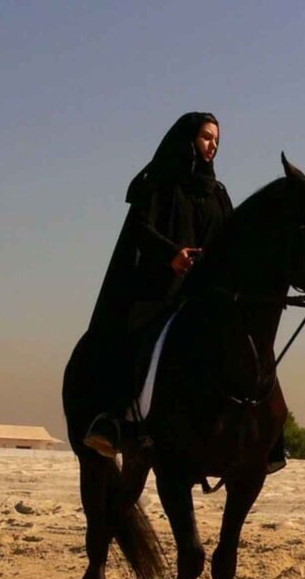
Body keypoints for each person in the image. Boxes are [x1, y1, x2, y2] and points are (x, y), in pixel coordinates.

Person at [83, 112, 232, 459]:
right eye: (206, 137)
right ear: (187, 139)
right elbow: (138, 227)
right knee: (132, 339)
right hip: (158, 290)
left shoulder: (219, 194)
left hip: (203, 293)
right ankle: (111, 420)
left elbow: (229, 239)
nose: (212, 146)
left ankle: (266, 436)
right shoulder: (158, 183)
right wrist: (171, 255)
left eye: (216, 140)